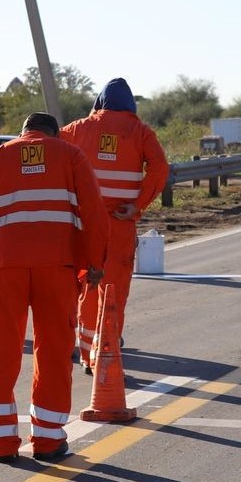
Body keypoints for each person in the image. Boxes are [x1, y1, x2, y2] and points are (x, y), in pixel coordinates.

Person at [0, 112, 108, 463]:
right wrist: (95, 263)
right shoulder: (71, 155)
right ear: (55, 134)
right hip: (57, 268)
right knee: (54, 351)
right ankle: (47, 440)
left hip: (3, 268)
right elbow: (93, 213)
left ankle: (2, 443)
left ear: (23, 133)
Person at [60, 78, 169, 374]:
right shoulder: (140, 131)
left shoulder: (78, 128)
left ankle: (83, 348)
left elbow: (52, 149)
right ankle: (105, 347)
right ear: (131, 105)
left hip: (84, 222)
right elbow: (160, 166)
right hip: (119, 222)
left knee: (85, 284)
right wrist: (138, 205)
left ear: (99, 103)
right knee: (114, 287)